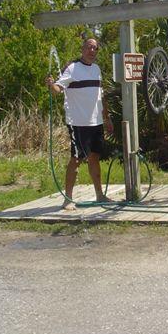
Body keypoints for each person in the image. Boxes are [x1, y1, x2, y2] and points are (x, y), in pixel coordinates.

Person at [46, 37, 114, 210]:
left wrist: (107, 118)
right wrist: (51, 85)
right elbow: (57, 90)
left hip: (96, 122)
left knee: (94, 158)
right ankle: (68, 199)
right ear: (83, 49)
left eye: (95, 48)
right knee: (76, 159)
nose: (92, 51)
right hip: (78, 123)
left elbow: (101, 95)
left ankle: (100, 195)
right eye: (89, 47)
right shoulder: (72, 68)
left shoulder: (97, 69)